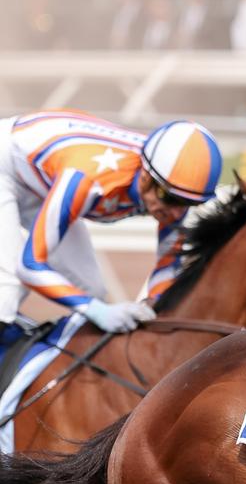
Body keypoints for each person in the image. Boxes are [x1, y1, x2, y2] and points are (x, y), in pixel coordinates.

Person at [0, 112, 222, 336]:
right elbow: (30, 266)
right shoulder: (89, 181)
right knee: (8, 285)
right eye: (170, 198)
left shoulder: (168, 189)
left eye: (187, 203)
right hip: (7, 164)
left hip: (42, 178)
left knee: (92, 290)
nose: (176, 211)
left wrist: (152, 306)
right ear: (146, 177)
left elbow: (167, 264)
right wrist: (97, 311)